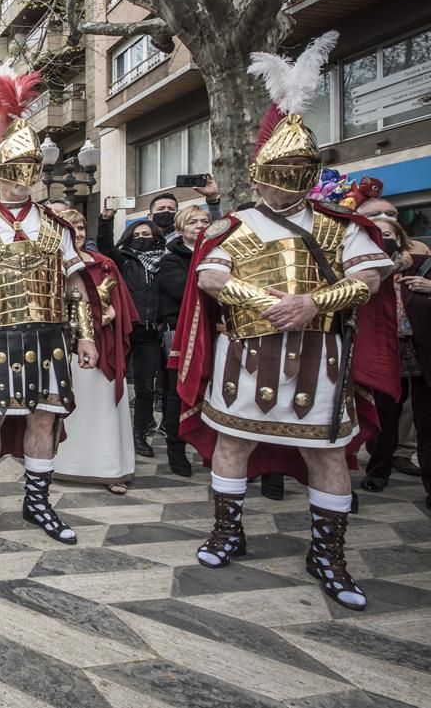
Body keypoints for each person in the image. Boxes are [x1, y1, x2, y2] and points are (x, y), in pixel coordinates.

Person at [171, 32, 398, 611]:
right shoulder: (235, 225)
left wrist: (312, 304)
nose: (285, 181)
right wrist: (259, 297)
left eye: (298, 170)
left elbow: (371, 277)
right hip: (244, 355)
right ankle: (227, 529)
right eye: (278, 171)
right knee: (232, 444)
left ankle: (328, 553)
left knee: (327, 453)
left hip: (320, 358)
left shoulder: (339, 226)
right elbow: (210, 278)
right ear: (260, 172)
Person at [0, 67, 98, 544]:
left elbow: (75, 285)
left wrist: (86, 332)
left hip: (48, 337)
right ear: (0, 175)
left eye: (30, 170)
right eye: (14, 172)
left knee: (44, 416)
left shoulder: (56, 228)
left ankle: (37, 502)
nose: (22, 180)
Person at [53, 209, 138, 494]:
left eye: (79, 228)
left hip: (101, 344)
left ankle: (109, 469)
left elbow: (119, 305)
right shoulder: (51, 264)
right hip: (61, 346)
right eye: (70, 229)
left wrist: (108, 315)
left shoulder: (104, 264)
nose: (76, 234)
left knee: (102, 407)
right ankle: (58, 464)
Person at [361, 217, 429, 503]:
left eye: (388, 234)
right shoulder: (367, 271)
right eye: (378, 235)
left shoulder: (423, 264)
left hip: (422, 348)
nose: (384, 239)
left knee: (426, 420)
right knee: (385, 416)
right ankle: (378, 471)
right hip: (386, 352)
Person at [97, 212, 167, 458]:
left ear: (156, 236)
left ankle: (139, 434)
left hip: (151, 333)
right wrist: (105, 221)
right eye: (136, 236)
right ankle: (109, 432)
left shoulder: (165, 262)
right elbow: (105, 246)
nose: (141, 239)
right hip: (125, 330)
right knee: (112, 380)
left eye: (146, 235)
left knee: (146, 387)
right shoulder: (123, 260)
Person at [156, 204, 211, 476]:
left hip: (213, 331)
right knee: (177, 392)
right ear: (181, 229)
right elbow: (183, 290)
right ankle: (175, 449)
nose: (200, 225)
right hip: (180, 332)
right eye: (193, 222)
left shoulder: (217, 255)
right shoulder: (170, 260)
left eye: (204, 220)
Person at [359, 198, 431, 256]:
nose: (384, 217)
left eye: (390, 214)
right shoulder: (351, 250)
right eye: (374, 214)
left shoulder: (417, 248)